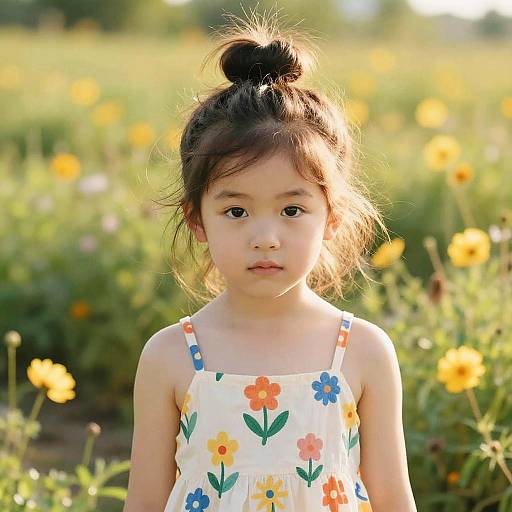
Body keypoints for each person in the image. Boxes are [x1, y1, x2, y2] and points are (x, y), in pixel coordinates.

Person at [123, 10, 417, 512]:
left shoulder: (363, 351)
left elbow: (393, 499)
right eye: (235, 210)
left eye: (291, 209)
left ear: (331, 218)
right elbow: (144, 503)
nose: (265, 237)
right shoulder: (171, 356)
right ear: (197, 220)